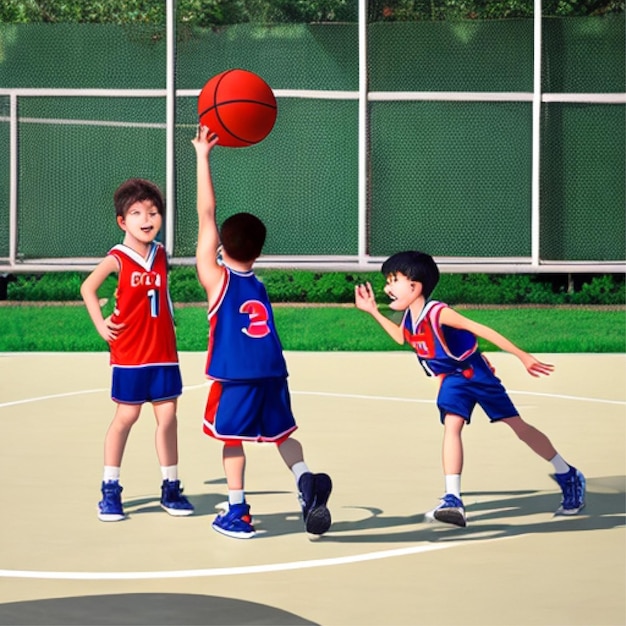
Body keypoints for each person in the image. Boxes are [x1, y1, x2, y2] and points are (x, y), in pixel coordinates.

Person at [354, 250, 585, 527]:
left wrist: (522, 356)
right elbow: (401, 338)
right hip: (453, 379)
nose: (387, 288)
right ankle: (452, 498)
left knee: (518, 427)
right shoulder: (410, 319)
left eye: (393, 281)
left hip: (477, 375)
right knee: (452, 426)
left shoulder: (439, 313)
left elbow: (482, 329)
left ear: (414, 286)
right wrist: (373, 311)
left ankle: (567, 472)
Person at [191, 125, 332, 539]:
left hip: (236, 375)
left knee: (230, 441)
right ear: (259, 251)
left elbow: (205, 215)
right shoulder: (258, 282)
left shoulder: (218, 279)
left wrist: (203, 156)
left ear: (220, 247)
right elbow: (214, 226)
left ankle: (237, 512)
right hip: (273, 372)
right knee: (282, 435)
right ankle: (305, 480)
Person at [80, 178, 194, 522]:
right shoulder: (117, 258)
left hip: (163, 353)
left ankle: (170, 486)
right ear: (122, 221)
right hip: (130, 353)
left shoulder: (161, 254)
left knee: (168, 417)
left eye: (154, 212)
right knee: (126, 417)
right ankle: (110, 488)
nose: (147, 219)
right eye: (137, 213)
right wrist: (101, 326)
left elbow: (160, 296)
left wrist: (170, 320)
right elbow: (88, 288)